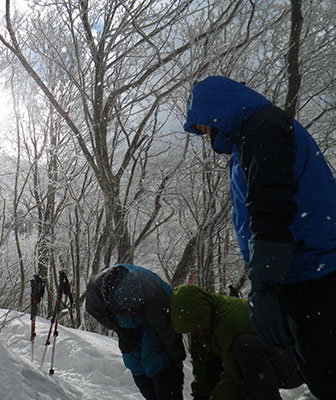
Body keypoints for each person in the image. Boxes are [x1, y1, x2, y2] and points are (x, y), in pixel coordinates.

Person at [183, 76, 336, 399]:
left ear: (216, 111)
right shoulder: (248, 140)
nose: (205, 135)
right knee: (319, 370)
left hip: (316, 271)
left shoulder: (262, 129)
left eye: (204, 127)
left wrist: (265, 285)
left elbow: (270, 211)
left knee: (327, 372)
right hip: (302, 270)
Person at [170, 284, 304, 400]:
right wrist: (200, 396)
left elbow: (233, 377)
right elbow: (201, 369)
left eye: (196, 329)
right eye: (191, 331)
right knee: (211, 363)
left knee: (244, 346)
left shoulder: (229, 320)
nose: (194, 333)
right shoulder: (202, 326)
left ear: (203, 314)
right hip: (258, 369)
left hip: (293, 367)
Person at [85, 264, 186, 400]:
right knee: (132, 359)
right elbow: (98, 313)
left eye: (133, 312)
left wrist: (176, 363)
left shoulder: (154, 299)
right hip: (124, 321)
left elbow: (168, 333)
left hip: (152, 319)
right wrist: (120, 329)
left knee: (155, 360)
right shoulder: (97, 294)